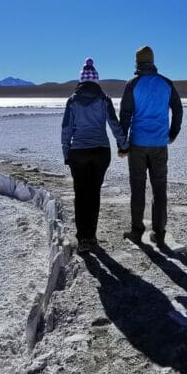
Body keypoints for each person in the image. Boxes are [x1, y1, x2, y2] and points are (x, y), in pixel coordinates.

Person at [61, 57, 129, 253]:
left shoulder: (73, 101)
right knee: (94, 193)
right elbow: (114, 125)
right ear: (96, 80)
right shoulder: (104, 99)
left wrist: (66, 153)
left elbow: (66, 129)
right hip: (100, 152)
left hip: (78, 153)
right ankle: (91, 236)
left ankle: (83, 238)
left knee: (80, 194)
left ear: (81, 80)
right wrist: (124, 144)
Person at [118, 45, 183, 245]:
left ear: (137, 62)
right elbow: (178, 110)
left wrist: (123, 144)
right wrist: (172, 133)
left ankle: (137, 230)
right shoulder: (166, 83)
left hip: (138, 144)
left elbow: (125, 115)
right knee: (159, 187)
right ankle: (159, 231)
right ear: (152, 61)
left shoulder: (133, 84)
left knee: (137, 187)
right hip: (159, 145)